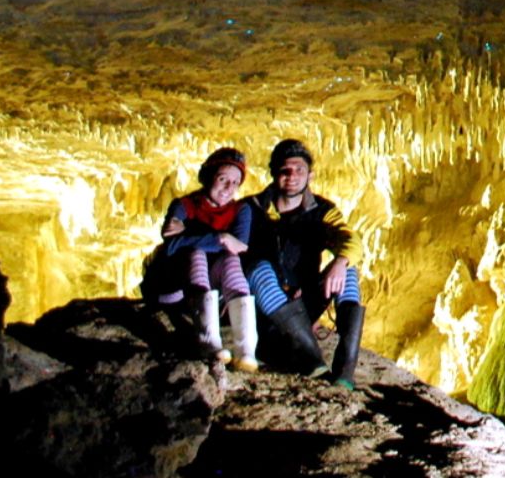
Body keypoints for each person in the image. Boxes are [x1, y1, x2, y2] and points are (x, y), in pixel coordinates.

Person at [242, 138, 367, 389]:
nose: (292, 176)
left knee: (348, 269)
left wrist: (340, 262)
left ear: (310, 174)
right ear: (274, 174)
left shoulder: (321, 211)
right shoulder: (251, 209)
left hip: (303, 303)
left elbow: (351, 241)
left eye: (299, 170)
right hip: (265, 311)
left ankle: (345, 370)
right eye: (285, 170)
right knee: (259, 269)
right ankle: (312, 362)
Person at [143, 146, 260, 371]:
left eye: (235, 182)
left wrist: (190, 234)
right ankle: (209, 343)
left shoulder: (240, 210)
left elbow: (239, 247)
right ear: (208, 177)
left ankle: (246, 351)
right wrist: (220, 238)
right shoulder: (185, 205)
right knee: (195, 254)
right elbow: (171, 242)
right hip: (175, 285)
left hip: (214, 281)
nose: (229, 188)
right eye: (223, 179)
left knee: (230, 261)